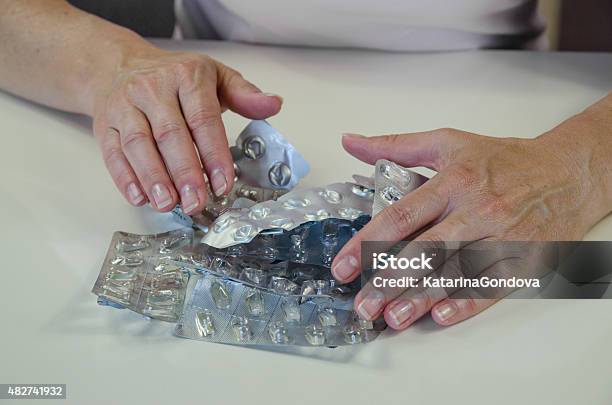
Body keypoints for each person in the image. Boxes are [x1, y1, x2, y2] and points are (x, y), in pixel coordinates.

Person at [1, 0, 611, 330]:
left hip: (513, 108)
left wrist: (579, 166)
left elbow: (591, 275)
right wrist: (111, 66)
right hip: (223, 90)